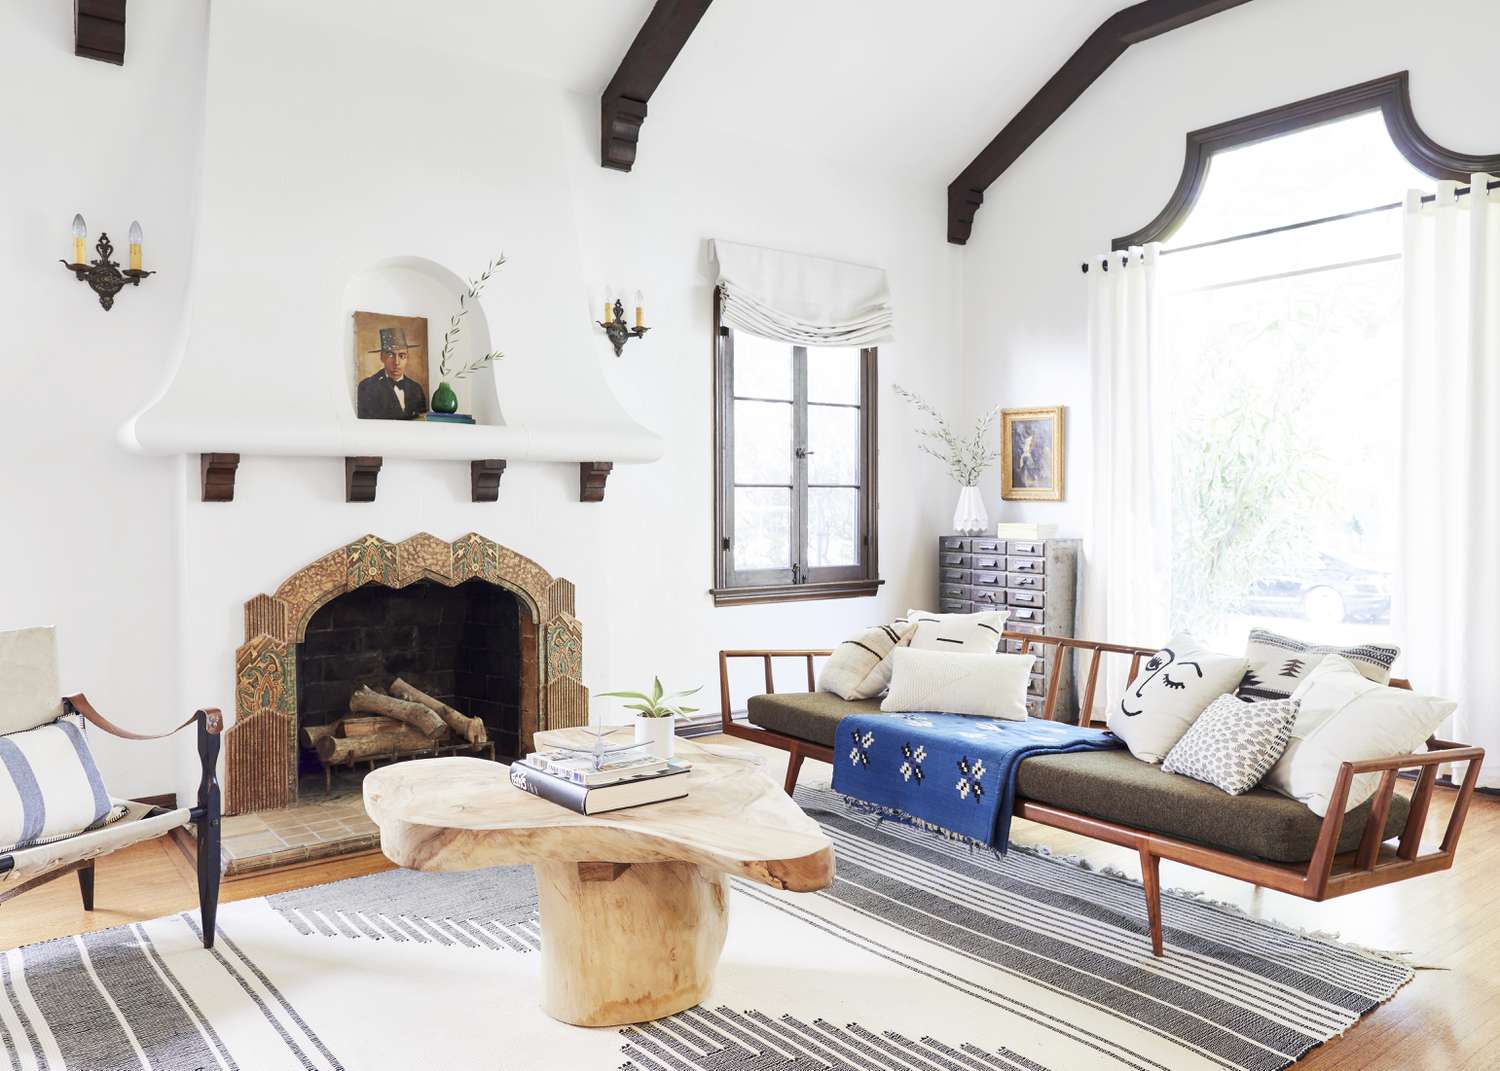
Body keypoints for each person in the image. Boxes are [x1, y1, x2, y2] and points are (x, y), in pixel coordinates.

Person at [357, 328, 428, 420]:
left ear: (407, 358)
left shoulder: (416, 389)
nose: (396, 362)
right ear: (382, 357)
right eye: (390, 355)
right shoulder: (367, 387)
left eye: (402, 356)